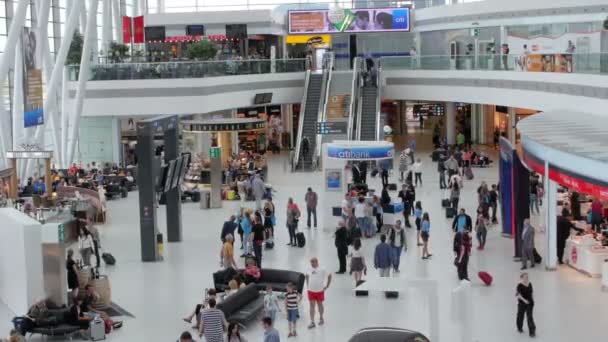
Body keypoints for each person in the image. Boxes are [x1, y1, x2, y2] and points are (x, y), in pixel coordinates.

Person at [305, 257, 331, 329]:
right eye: (311, 262)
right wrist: (308, 284)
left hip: (320, 291)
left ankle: (321, 318)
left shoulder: (322, 269)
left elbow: (329, 276)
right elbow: (306, 275)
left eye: (313, 262)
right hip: (311, 291)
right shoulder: (309, 269)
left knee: (320, 304)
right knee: (311, 305)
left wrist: (327, 286)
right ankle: (312, 322)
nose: (312, 264)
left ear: (317, 262)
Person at [516, 273, 536, 337]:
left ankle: (532, 331)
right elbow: (518, 295)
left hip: (530, 303)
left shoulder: (530, 284)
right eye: (525, 277)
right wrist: (525, 301)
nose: (526, 278)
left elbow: (531, 292)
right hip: (522, 303)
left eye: (527, 277)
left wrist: (532, 299)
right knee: (520, 316)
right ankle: (519, 328)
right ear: (521, 278)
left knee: (529, 317)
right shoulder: (519, 285)